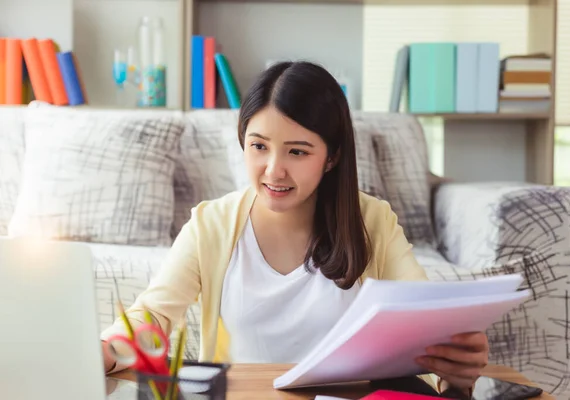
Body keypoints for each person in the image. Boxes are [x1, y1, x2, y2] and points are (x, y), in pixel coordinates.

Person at [101, 61, 488, 396]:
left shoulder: (373, 222)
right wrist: (104, 349)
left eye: (297, 151)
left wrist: (455, 372)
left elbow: (424, 323)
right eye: (259, 146)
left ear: (332, 155)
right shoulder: (211, 225)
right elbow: (152, 316)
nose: (274, 170)